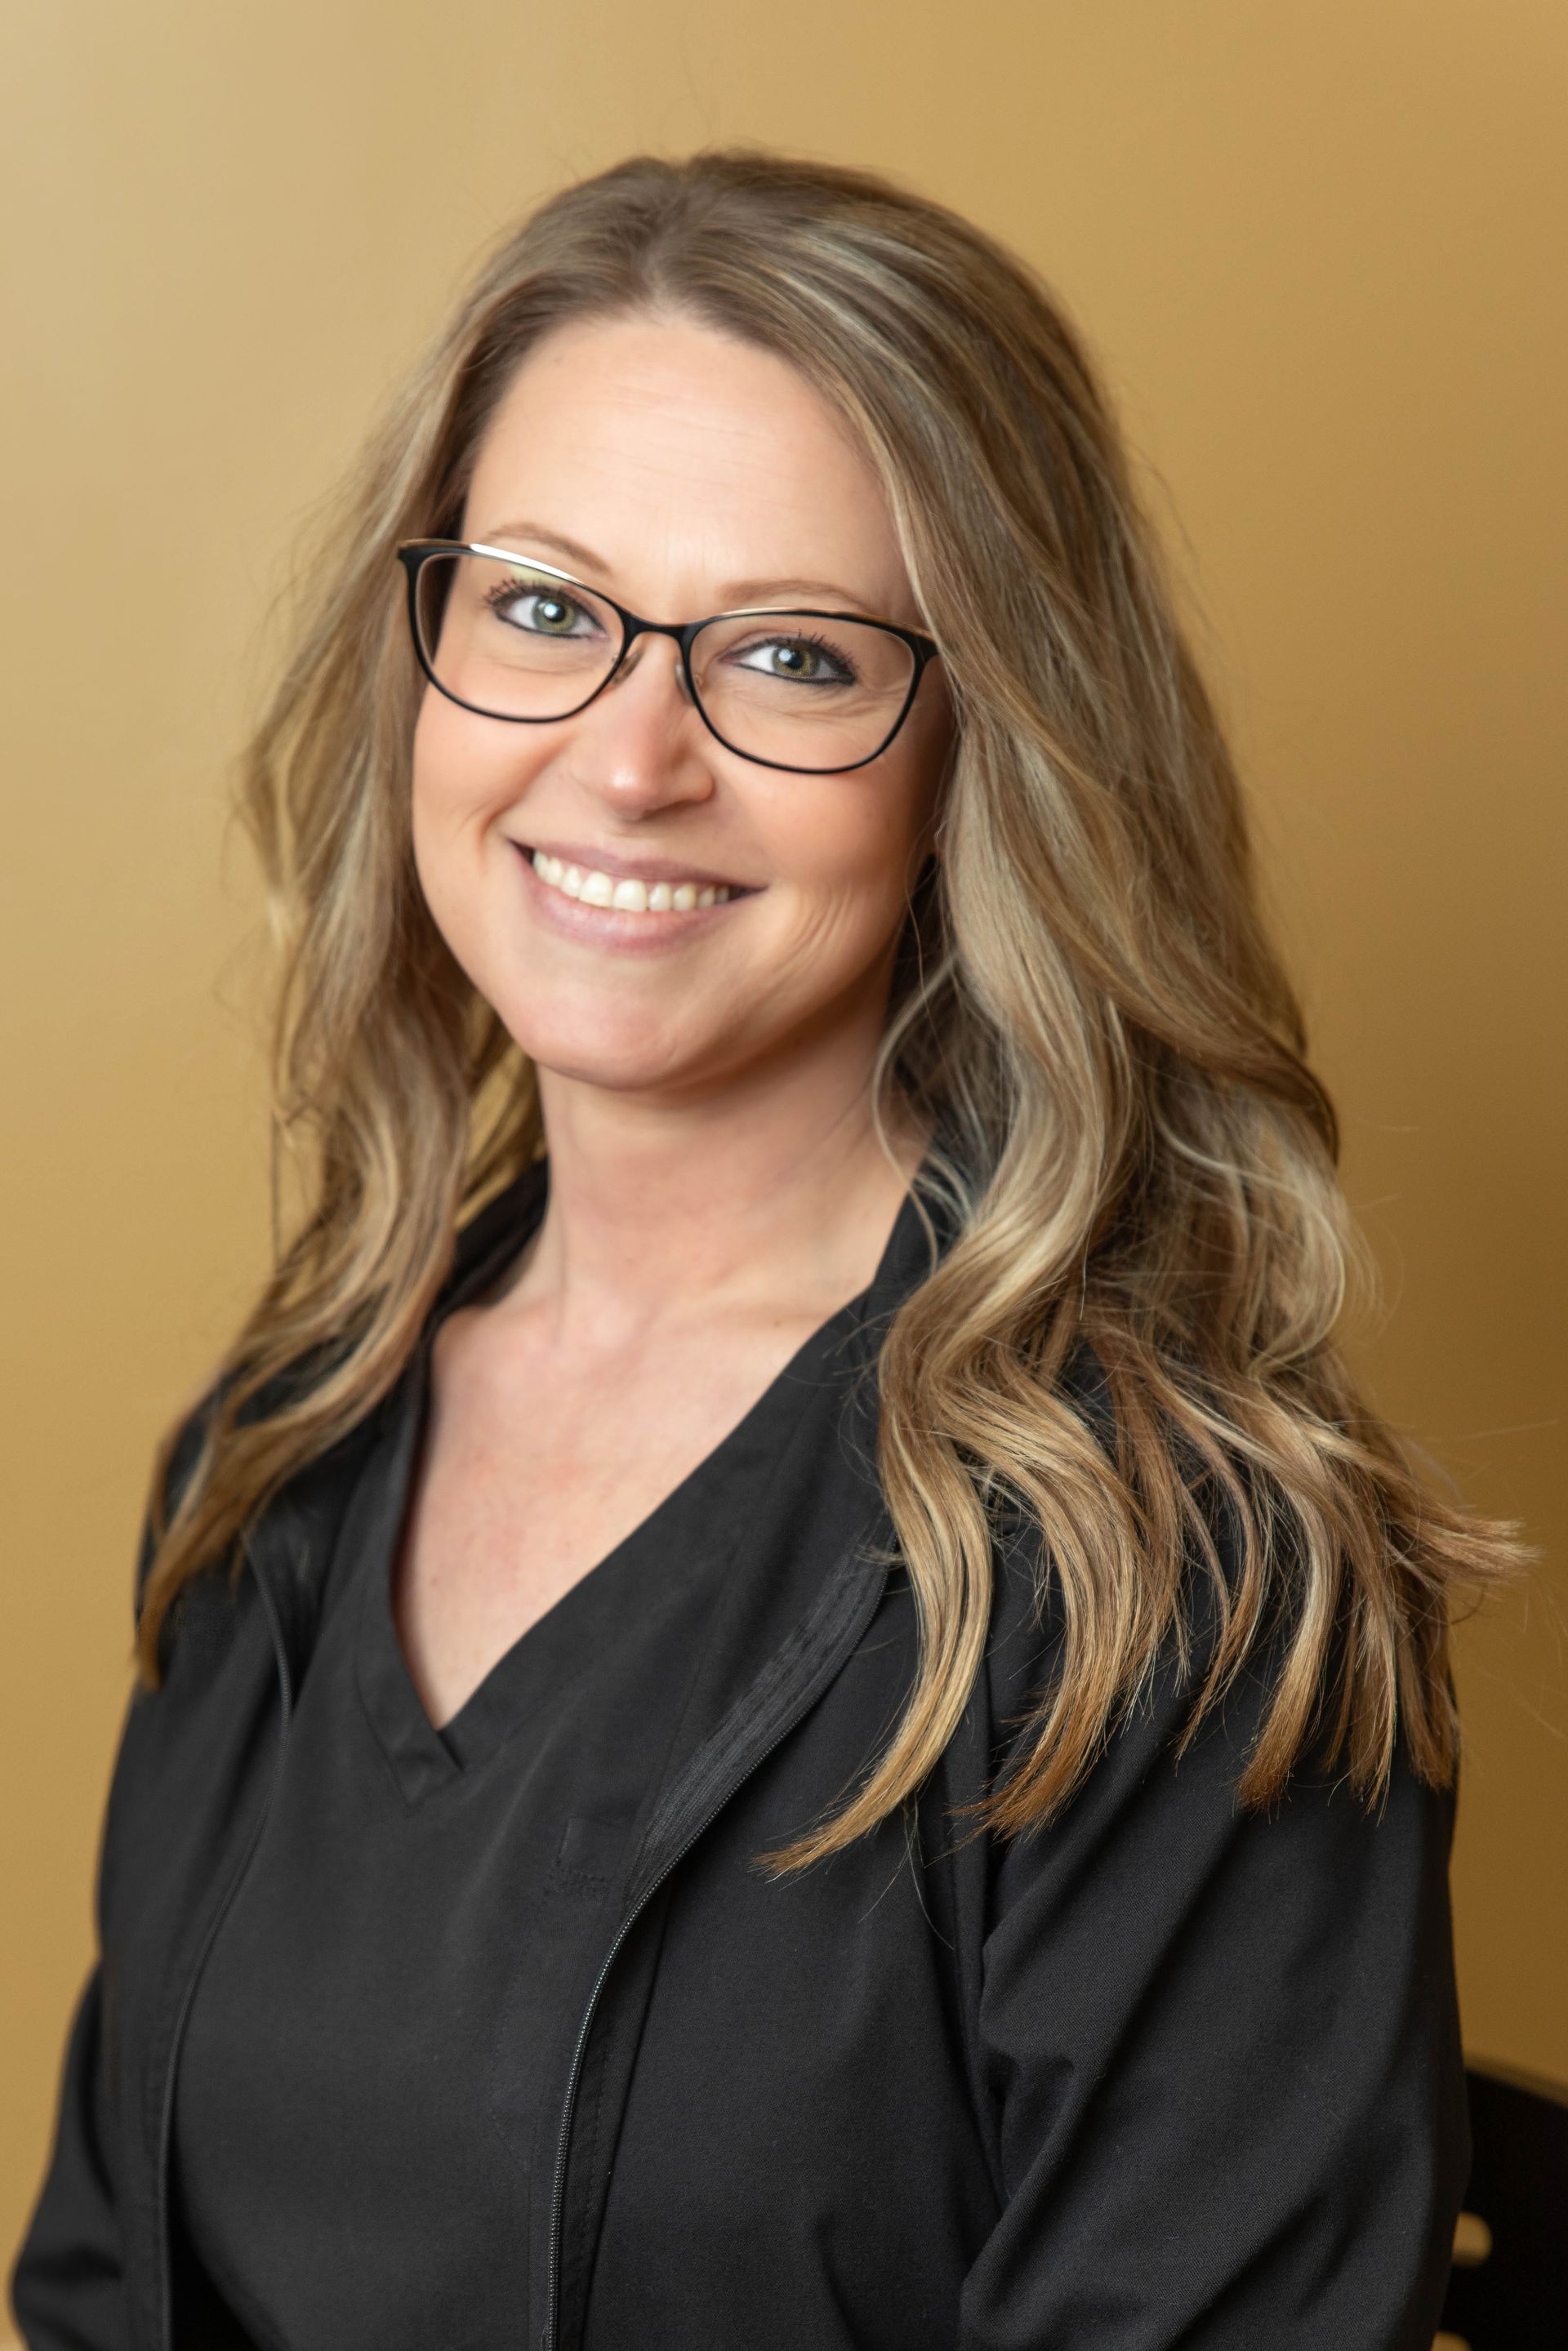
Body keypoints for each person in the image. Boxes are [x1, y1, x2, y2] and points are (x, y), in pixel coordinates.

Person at [11, 148, 1517, 2351]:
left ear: (984, 755)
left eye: (793, 658)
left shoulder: (1165, 1567)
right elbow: (104, 2295)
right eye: (541, 606)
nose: (628, 761)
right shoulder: (287, 1444)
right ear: (416, 650)